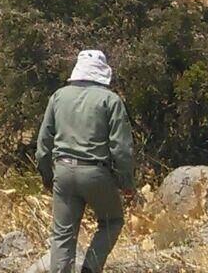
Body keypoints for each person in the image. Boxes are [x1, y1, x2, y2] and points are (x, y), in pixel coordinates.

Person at [36, 49, 136, 273]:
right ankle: (90, 267)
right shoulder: (110, 100)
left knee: (62, 235)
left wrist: (47, 176)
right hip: (95, 173)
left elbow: (43, 143)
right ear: (102, 71)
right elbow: (121, 149)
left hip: (62, 170)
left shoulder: (58, 96)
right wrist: (126, 183)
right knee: (112, 221)